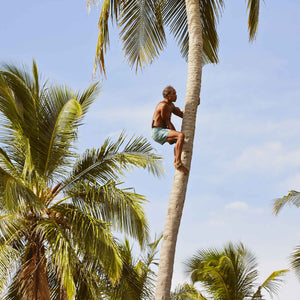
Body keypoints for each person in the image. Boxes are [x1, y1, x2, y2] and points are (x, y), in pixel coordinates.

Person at [151, 86, 189, 174]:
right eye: (174, 94)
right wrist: (176, 134)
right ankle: (177, 162)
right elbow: (168, 122)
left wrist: (194, 105)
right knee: (180, 136)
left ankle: (177, 160)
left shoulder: (171, 105)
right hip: (157, 131)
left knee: (179, 139)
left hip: (163, 130)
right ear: (168, 96)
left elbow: (182, 115)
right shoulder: (163, 106)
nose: (176, 95)